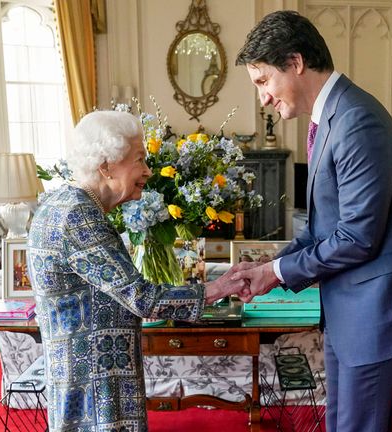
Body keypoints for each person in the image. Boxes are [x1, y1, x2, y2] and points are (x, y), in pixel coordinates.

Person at [233, 11, 392, 432]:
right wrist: (265, 269)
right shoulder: (330, 118)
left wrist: (274, 273)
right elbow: (320, 229)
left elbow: (356, 238)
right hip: (351, 308)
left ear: (295, 63)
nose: (263, 99)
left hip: (376, 311)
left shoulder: (356, 121)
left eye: (263, 82)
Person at [27, 110, 247, 431]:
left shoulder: (60, 204)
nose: (147, 171)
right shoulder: (78, 216)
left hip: (81, 373)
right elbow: (141, 297)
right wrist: (219, 287)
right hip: (96, 383)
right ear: (106, 166)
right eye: (139, 160)